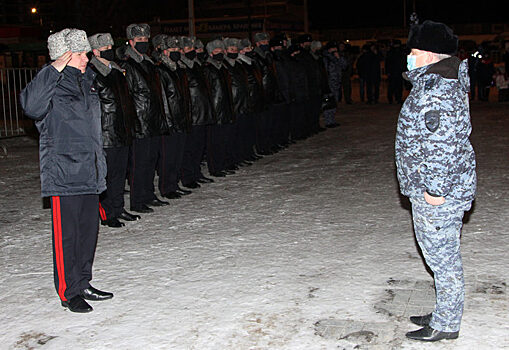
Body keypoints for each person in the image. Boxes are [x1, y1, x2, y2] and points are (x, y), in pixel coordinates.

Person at [20, 28, 113, 313]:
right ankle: (68, 291)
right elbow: (32, 107)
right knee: (67, 236)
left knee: (88, 232)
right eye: (81, 53)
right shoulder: (51, 83)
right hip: (64, 171)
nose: (87, 57)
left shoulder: (87, 81)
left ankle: (83, 281)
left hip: (90, 168)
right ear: (66, 55)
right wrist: (55, 66)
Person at [396, 20, 476, 341]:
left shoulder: (436, 92)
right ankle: (445, 310)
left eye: (414, 52)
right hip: (444, 187)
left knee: (443, 260)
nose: (410, 57)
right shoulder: (441, 81)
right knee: (439, 256)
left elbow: (439, 145)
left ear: (429, 54)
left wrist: (434, 190)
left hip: (439, 193)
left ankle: (446, 323)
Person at [88, 32, 140, 227]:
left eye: (111, 48)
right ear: (94, 51)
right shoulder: (92, 73)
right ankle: (107, 213)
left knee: (119, 173)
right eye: (104, 50)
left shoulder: (117, 71)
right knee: (106, 175)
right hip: (105, 132)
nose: (109, 52)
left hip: (121, 130)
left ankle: (118, 208)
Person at [116, 23, 169, 213]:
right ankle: (137, 201)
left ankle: (148, 194)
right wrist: (132, 123)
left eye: (146, 40)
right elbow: (127, 96)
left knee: (151, 160)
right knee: (139, 163)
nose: (144, 43)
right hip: (139, 122)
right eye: (140, 40)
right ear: (130, 42)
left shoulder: (148, 63)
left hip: (153, 120)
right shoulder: (127, 66)